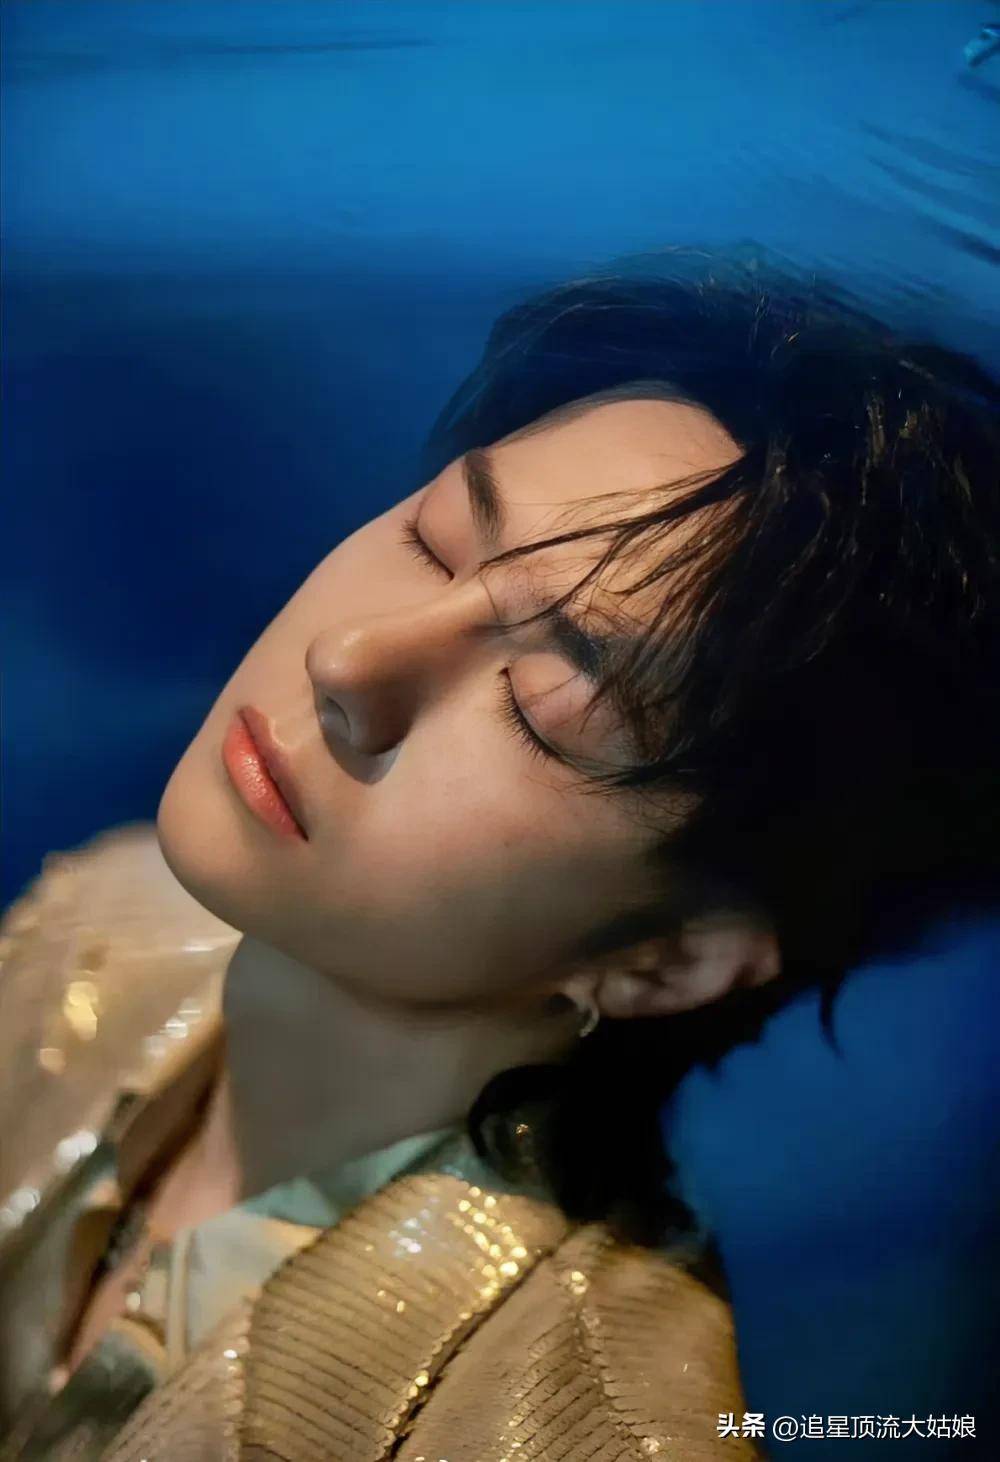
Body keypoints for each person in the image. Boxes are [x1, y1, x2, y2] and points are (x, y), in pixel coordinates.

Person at [1, 252, 997, 1460]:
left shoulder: (581, 1428)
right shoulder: (98, 918)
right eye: (432, 540)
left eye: (542, 704)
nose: (349, 660)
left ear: (669, 958)